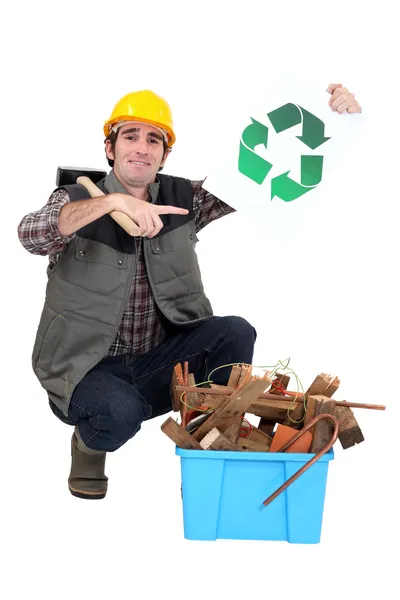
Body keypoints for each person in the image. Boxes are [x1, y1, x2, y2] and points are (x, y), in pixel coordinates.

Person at [17, 83, 362, 500]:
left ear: (164, 154)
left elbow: (255, 178)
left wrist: (334, 120)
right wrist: (113, 205)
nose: (141, 148)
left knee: (236, 332)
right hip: (85, 367)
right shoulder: (74, 200)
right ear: (110, 149)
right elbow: (31, 235)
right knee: (118, 413)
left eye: (154, 140)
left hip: (159, 358)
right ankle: (91, 443)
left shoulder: (185, 201)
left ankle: (209, 441)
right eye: (130, 136)